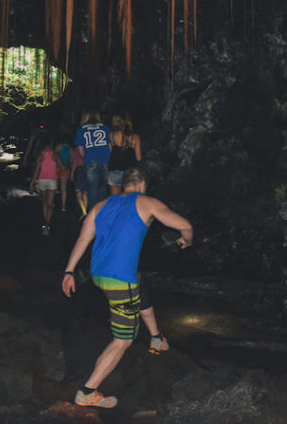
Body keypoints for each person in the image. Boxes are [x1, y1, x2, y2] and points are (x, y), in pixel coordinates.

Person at [61, 167, 194, 409]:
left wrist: (69, 272)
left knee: (139, 282)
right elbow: (185, 225)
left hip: (98, 274)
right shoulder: (147, 202)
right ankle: (88, 391)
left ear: (124, 185)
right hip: (119, 280)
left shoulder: (101, 205)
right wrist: (187, 239)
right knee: (123, 340)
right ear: (142, 184)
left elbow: (82, 240)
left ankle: (156, 338)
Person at [74, 110, 111, 208]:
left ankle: (92, 218)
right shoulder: (105, 128)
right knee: (102, 192)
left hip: (91, 162)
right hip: (105, 162)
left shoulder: (81, 129)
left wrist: (87, 158)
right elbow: (110, 146)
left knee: (92, 193)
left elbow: (81, 150)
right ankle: (101, 217)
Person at [28, 133, 62, 236]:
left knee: (44, 202)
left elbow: (37, 171)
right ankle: (47, 224)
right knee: (50, 204)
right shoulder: (55, 155)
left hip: (42, 180)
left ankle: (45, 223)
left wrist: (31, 184)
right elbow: (62, 167)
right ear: (51, 144)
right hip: (52, 181)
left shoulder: (40, 156)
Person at [107, 114, 142, 195]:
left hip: (114, 169)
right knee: (130, 199)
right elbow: (139, 158)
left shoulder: (111, 135)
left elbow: (111, 151)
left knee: (116, 200)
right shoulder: (135, 138)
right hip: (129, 172)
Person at [55, 138, 73, 212]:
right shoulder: (71, 149)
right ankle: (63, 206)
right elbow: (71, 160)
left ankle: (52, 202)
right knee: (63, 188)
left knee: (54, 186)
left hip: (56, 167)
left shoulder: (58, 146)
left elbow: (54, 156)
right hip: (65, 169)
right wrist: (67, 167)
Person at [71, 144, 88, 218]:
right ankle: (84, 212)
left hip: (80, 170)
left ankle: (84, 212)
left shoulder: (76, 150)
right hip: (88, 169)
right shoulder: (87, 147)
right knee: (85, 193)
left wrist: (72, 173)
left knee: (78, 194)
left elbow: (75, 162)